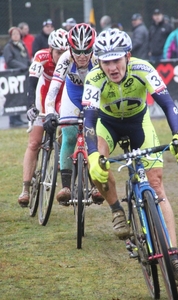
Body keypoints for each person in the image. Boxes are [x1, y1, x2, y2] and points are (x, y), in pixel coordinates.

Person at [81, 28, 178, 285]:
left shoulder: (143, 68)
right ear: (99, 61)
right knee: (95, 162)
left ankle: (174, 257)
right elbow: (88, 120)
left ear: (128, 57)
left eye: (116, 60)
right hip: (106, 126)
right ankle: (117, 209)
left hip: (137, 124)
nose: (112, 67)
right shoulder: (94, 78)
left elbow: (168, 103)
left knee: (155, 184)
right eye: (106, 61)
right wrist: (95, 154)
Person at [43, 23, 103, 206]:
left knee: (96, 135)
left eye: (87, 51)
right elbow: (52, 92)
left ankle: (95, 185)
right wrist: (50, 114)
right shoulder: (65, 59)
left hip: (95, 93)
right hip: (73, 94)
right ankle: (66, 186)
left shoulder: (100, 58)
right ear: (70, 48)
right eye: (78, 51)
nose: (83, 56)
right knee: (69, 135)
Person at [18, 28, 69, 207]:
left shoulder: (72, 58)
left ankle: (66, 185)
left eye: (64, 52)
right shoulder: (41, 57)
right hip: (43, 98)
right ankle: (25, 188)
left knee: (67, 137)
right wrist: (31, 106)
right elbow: (30, 84)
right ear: (50, 50)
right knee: (34, 143)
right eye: (58, 52)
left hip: (64, 99)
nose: (61, 55)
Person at [3, 26, 31, 127]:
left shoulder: (22, 46)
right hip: (14, 75)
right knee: (13, 97)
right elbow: (9, 60)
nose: (16, 36)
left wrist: (30, 65)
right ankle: (13, 119)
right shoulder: (8, 47)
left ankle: (18, 117)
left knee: (21, 96)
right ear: (11, 36)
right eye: (14, 34)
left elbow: (27, 58)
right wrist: (23, 67)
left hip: (23, 75)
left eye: (17, 34)